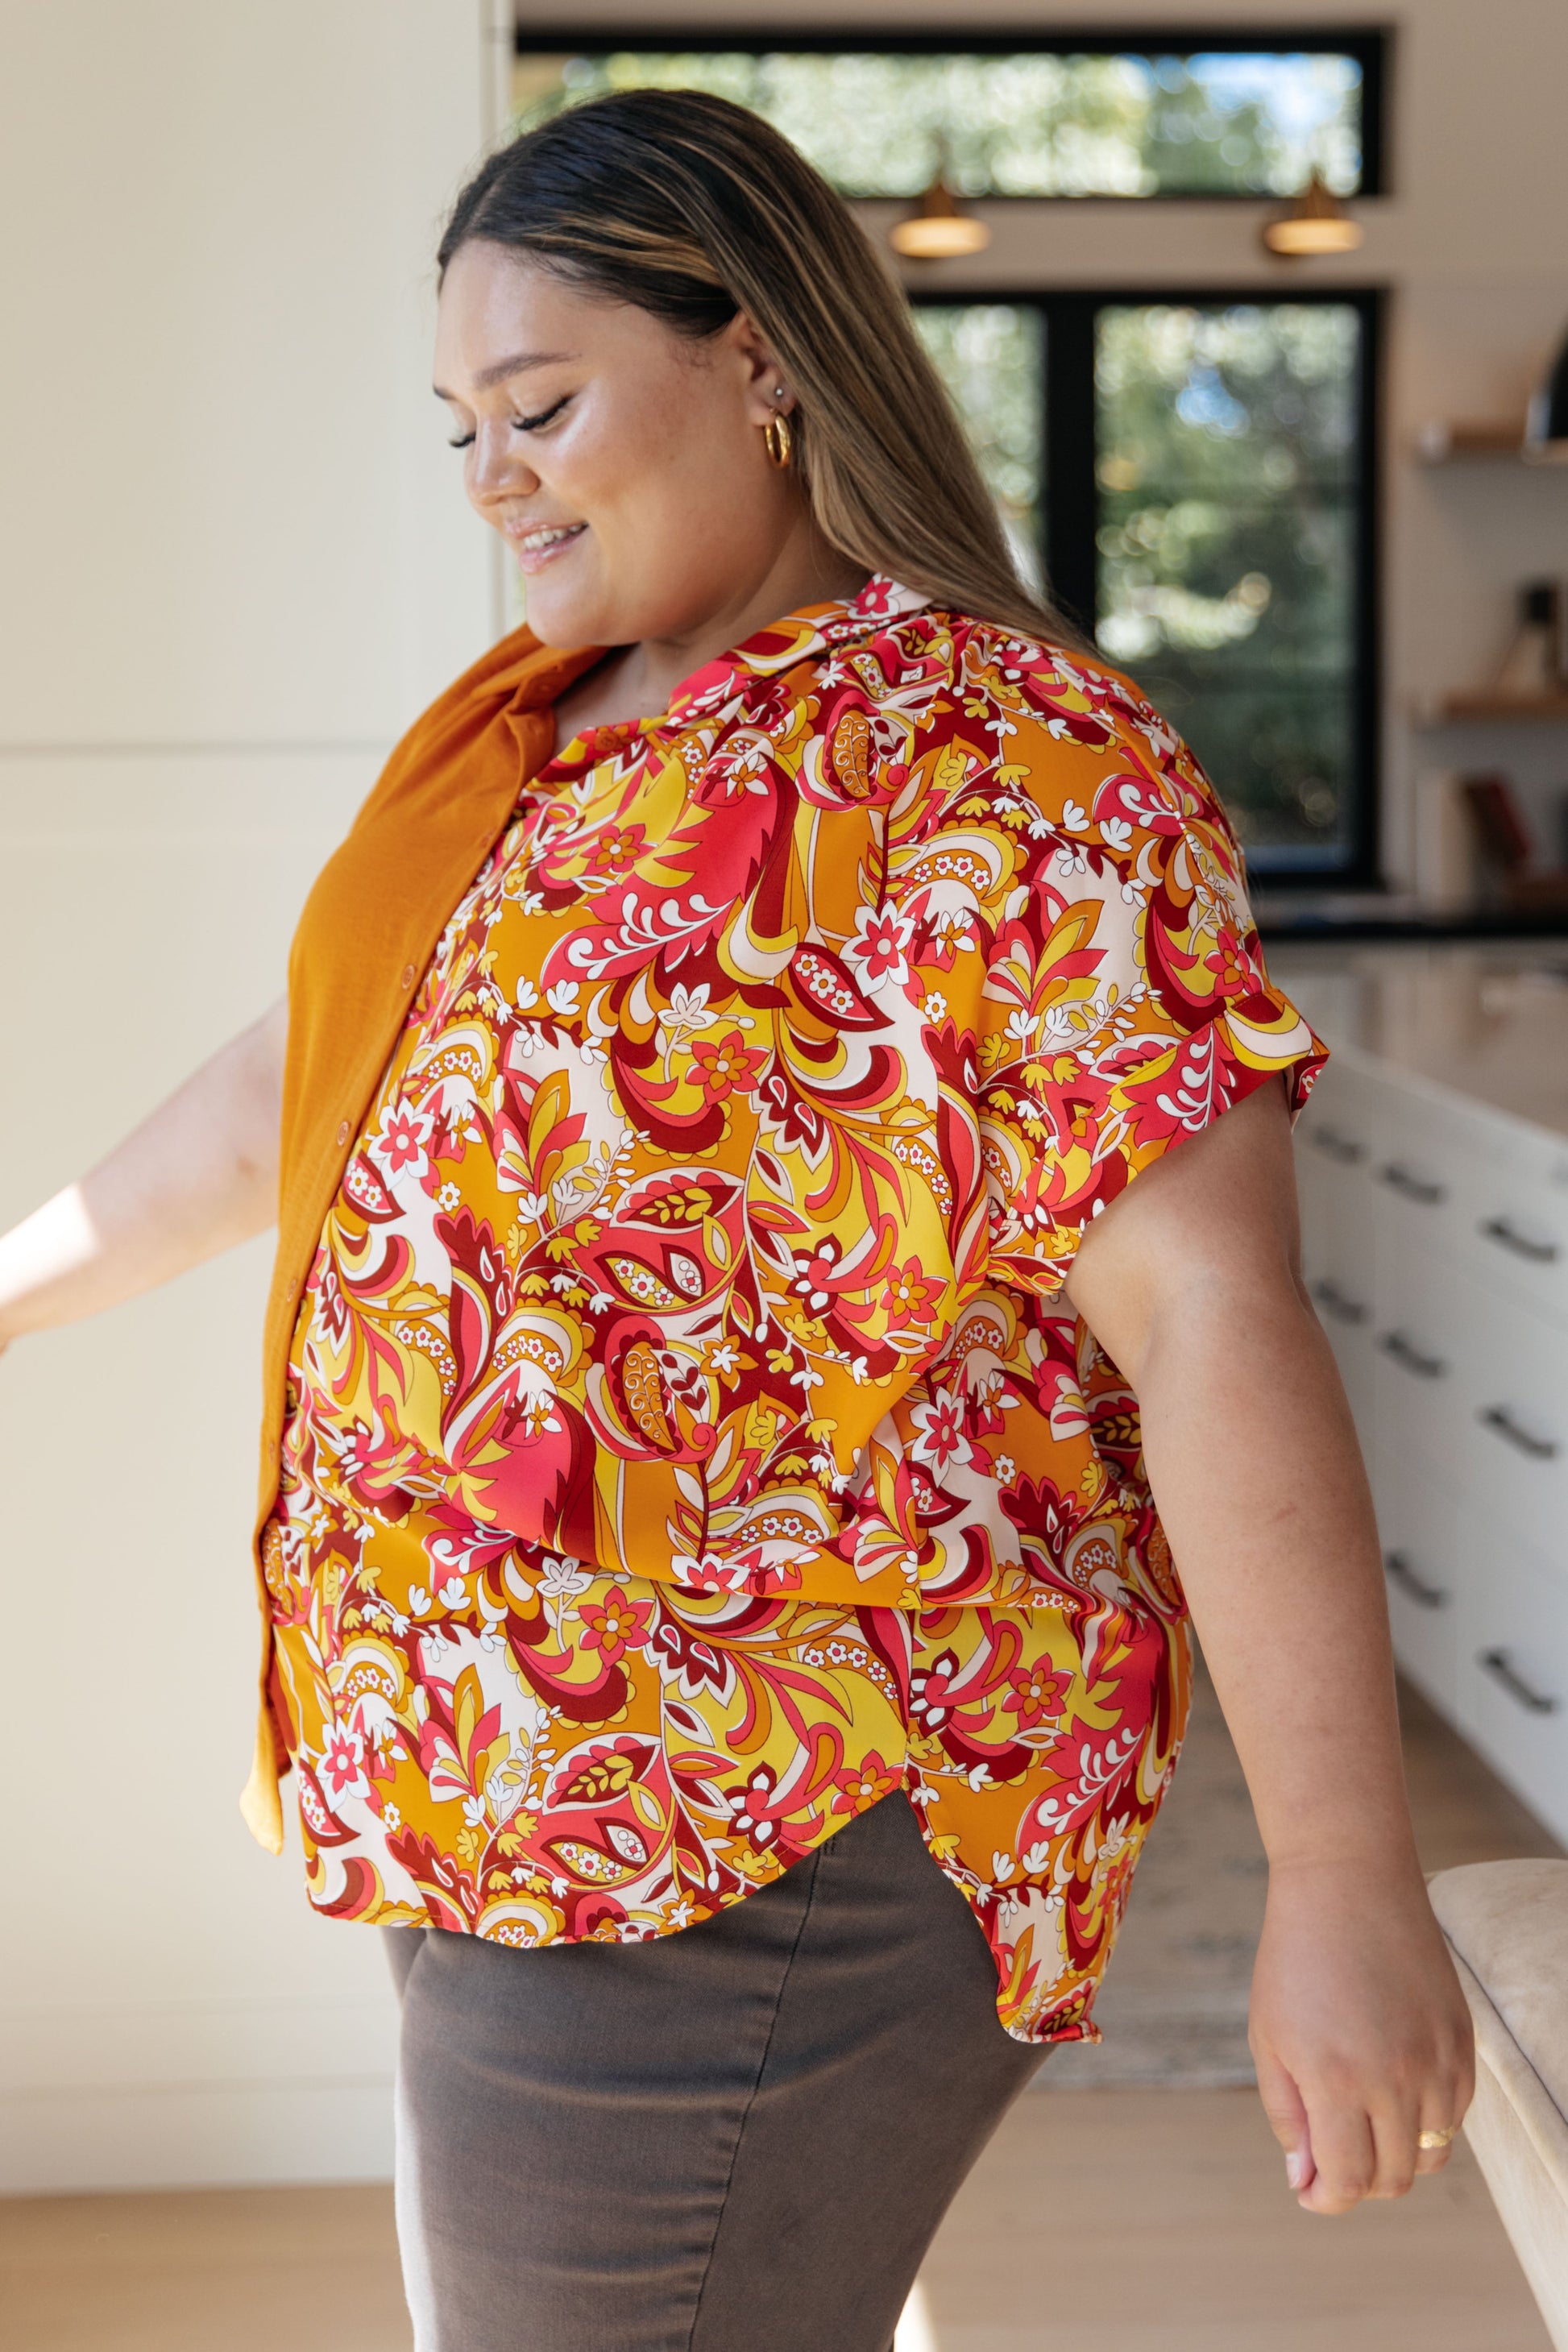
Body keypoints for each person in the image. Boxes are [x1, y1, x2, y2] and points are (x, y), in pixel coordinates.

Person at [0, 89, 1471, 2352]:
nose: (490, 478)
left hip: (763, 1810)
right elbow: (315, 1088)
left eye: (541, 409)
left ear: (763, 354)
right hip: (496, 1784)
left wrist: (1341, 1874)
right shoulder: (548, 736)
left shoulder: (997, 769)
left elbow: (1204, 1313)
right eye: (458, 429)